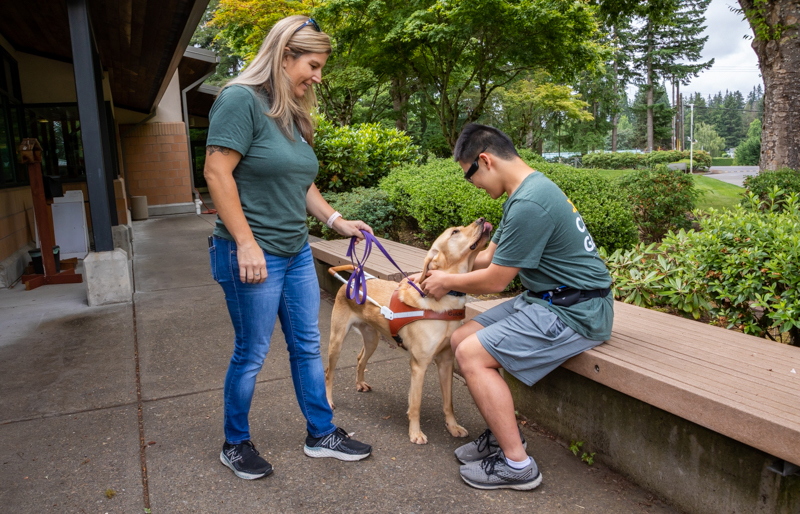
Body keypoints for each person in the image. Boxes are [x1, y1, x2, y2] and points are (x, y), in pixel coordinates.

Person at [204, 15, 373, 481]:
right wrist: (245, 242)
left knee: (305, 345)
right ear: (283, 56)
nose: (317, 77)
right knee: (252, 352)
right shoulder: (240, 101)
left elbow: (301, 182)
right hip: (251, 254)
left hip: (295, 250)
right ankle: (234, 442)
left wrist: (338, 221)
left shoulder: (290, 112)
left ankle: (321, 433)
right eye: (313, 66)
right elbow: (217, 174)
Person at [417, 123, 614, 491]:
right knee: (462, 339)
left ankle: (518, 465)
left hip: (577, 310)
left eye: (469, 176)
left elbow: (495, 281)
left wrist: (447, 283)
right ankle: (502, 435)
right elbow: (489, 256)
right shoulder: (524, 192)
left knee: (473, 355)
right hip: (547, 297)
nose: (472, 184)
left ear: (485, 161)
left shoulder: (530, 203)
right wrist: (438, 268)